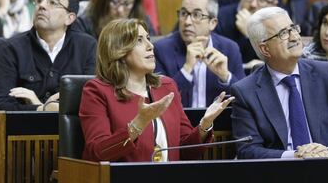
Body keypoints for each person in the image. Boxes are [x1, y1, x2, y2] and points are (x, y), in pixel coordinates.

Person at [79, 18, 234, 162]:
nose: (150, 45)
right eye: (139, 40)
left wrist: (204, 124)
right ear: (117, 50)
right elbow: (98, 153)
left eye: (148, 38)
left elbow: (184, 151)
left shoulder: (166, 87)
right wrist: (139, 123)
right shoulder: (97, 91)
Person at [231, 6, 328, 159]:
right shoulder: (245, 92)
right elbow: (248, 150)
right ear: (264, 49)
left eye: (293, 28)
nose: (294, 37)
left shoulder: (327, 74)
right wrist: (294, 156)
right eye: (284, 33)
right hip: (279, 174)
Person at [0, 0, 96, 111]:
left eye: (53, 2)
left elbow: (92, 100)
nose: (42, 6)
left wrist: (44, 105)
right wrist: (40, 109)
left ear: (69, 18)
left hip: (72, 130)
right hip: (27, 130)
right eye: (40, 0)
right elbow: (0, 104)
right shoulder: (12, 48)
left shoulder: (87, 46)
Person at [154, 0, 245, 108]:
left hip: (219, 125)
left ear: (212, 23)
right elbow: (158, 100)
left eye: (196, 15)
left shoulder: (230, 48)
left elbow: (245, 99)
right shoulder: (161, 49)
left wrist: (225, 77)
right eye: (183, 13)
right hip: (180, 125)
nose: (187, 22)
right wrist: (186, 70)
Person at [217, 0, 281, 66]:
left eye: (261, 0)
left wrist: (250, 34)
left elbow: (275, 63)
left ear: (273, 5)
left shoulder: (278, 26)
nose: (253, 4)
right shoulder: (220, 17)